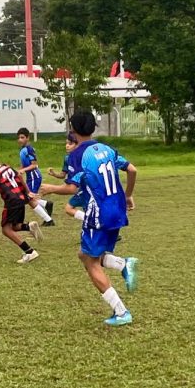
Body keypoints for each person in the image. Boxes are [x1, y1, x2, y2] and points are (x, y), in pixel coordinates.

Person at [39, 110, 139, 327]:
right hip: (117, 210)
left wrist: (51, 188)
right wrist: (129, 195)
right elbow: (132, 170)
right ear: (94, 128)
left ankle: (121, 312)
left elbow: (72, 187)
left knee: (90, 262)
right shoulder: (106, 149)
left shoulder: (78, 155)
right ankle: (123, 264)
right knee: (85, 254)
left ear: (73, 130)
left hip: (98, 213)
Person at [0, 148, 42, 263]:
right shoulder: (5, 166)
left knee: (6, 230)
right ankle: (29, 227)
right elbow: (19, 176)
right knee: (14, 226)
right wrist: (28, 192)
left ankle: (29, 251)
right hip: (21, 198)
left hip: (11, 201)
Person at [17, 127, 55, 226]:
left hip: (34, 176)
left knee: (29, 199)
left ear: (27, 138)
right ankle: (46, 204)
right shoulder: (22, 150)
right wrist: (19, 171)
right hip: (30, 177)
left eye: (22, 137)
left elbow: (34, 164)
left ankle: (48, 220)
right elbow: (24, 164)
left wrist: (23, 170)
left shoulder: (29, 149)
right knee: (30, 198)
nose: (20, 140)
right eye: (19, 138)